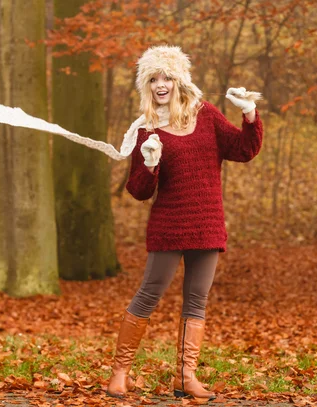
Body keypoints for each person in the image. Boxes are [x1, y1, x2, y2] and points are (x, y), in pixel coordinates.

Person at [106, 45, 263, 402]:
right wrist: (149, 164)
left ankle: (185, 378)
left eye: (167, 77)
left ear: (179, 80)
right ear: (147, 85)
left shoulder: (205, 114)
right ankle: (120, 373)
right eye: (153, 79)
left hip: (207, 223)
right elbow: (138, 191)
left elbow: (243, 150)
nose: (161, 84)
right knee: (149, 294)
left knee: (197, 301)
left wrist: (250, 114)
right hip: (169, 226)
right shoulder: (146, 130)